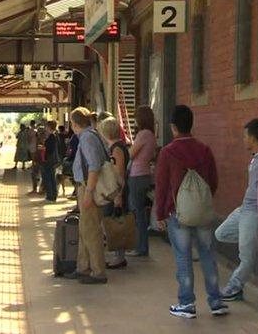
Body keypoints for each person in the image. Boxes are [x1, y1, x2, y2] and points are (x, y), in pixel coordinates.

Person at [155, 105, 229, 318]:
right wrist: (202, 202)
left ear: (173, 127)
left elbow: (161, 186)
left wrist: (160, 214)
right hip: (203, 212)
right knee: (208, 255)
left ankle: (187, 303)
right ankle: (216, 302)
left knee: (183, 258)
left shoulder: (168, 152)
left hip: (178, 214)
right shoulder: (204, 150)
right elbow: (213, 181)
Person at [215, 119, 258, 301]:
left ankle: (235, 287)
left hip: (255, 213)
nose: (243, 139)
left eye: (245, 136)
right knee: (220, 233)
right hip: (243, 210)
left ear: (253, 138)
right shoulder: (255, 158)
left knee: (246, 257)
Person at [65, 107, 108, 284]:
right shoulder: (90, 135)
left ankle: (98, 272)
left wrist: (88, 192)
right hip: (85, 186)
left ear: (74, 124)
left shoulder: (88, 138)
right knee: (84, 229)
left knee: (91, 230)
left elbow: (94, 166)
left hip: (89, 187)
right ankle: (83, 267)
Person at [98, 117, 129, 269]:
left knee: (114, 223)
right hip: (112, 191)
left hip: (115, 191)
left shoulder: (116, 150)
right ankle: (116, 254)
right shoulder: (117, 147)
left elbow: (119, 173)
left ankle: (118, 256)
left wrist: (118, 196)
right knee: (112, 223)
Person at [126, 106, 157, 257]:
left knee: (137, 213)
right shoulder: (151, 134)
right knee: (141, 213)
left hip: (136, 175)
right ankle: (142, 246)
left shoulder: (143, 134)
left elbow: (131, 154)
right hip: (145, 174)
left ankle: (140, 247)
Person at [41, 120, 60, 202]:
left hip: (49, 160)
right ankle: (53, 195)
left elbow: (50, 149)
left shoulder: (52, 136)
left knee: (49, 178)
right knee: (52, 177)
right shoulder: (54, 135)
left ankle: (50, 196)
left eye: (46, 126)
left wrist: (43, 148)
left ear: (49, 127)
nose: (45, 128)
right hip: (52, 159)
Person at [27, 120, 41, 195]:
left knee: (35, 172)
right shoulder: (36, 132)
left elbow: (29, 140)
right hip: (37, 153)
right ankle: (37, 189)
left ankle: (35, 189)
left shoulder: (31, 131)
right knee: (35, 172)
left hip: (35, 151)